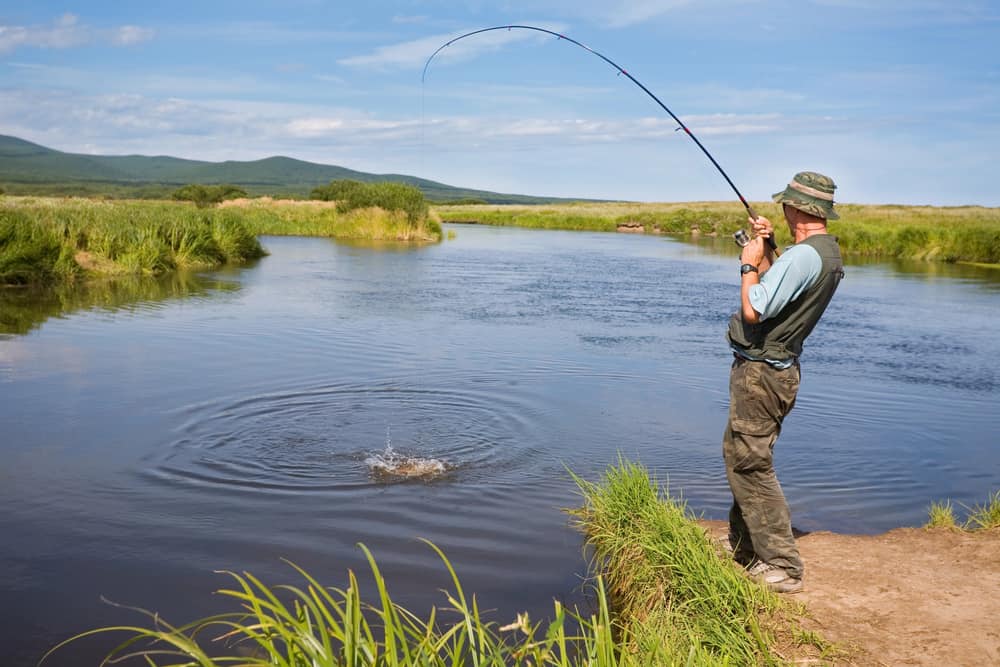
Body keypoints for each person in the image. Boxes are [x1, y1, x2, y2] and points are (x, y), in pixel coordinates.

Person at [722, 171, 844, 594]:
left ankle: (782, 564)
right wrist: (770, 247)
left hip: (762, 375)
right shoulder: (820, 252)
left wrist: (748, 262)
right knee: (740, 452)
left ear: (799, 209)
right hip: (774, 371)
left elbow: (756, 308)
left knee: (752, 461)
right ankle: (745, 543)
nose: (782, 208)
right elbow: (780, 290)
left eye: (786, 204)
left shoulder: (804, 257)